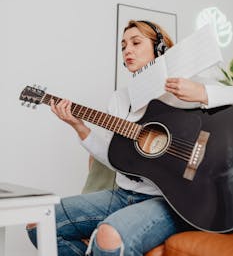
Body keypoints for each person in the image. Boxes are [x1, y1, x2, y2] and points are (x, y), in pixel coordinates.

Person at [27, 20, 233, 255]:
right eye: (123, 46)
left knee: (109, 235)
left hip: (170, 200)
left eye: (136, 42)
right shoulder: (119, 99)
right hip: (123, 194)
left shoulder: (187, 82)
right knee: (38, 221)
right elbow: (116, 158)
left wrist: (203, 93)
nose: (127, 50)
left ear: (160, 48)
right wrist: (79, 126)